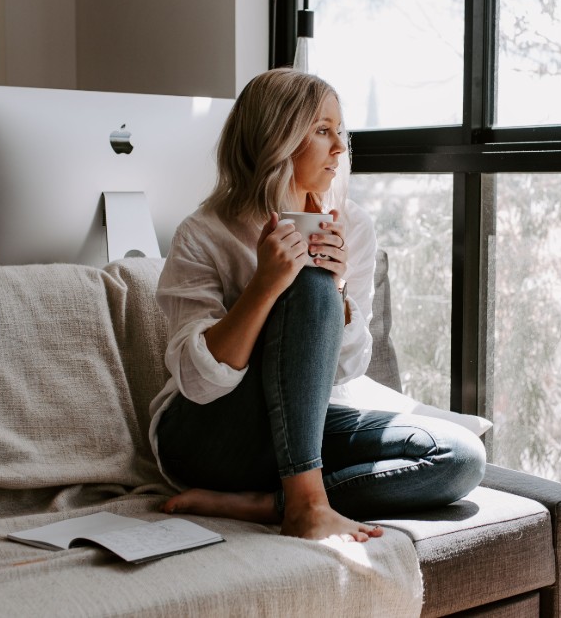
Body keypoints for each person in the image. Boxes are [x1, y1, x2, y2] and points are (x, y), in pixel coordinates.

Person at [147, 68, 486, 543]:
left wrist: (339, 288)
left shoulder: (353, 226)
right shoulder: (205, 232)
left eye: (340, 132)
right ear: (277, 138)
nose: (340, 149)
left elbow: (346, 370)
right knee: (308, 284)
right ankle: (306, 505)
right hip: (208, 439)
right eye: (323, 131)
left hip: (297, 431)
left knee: (459, 457)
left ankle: (274, 502)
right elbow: (197, 384)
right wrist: (265, 285)